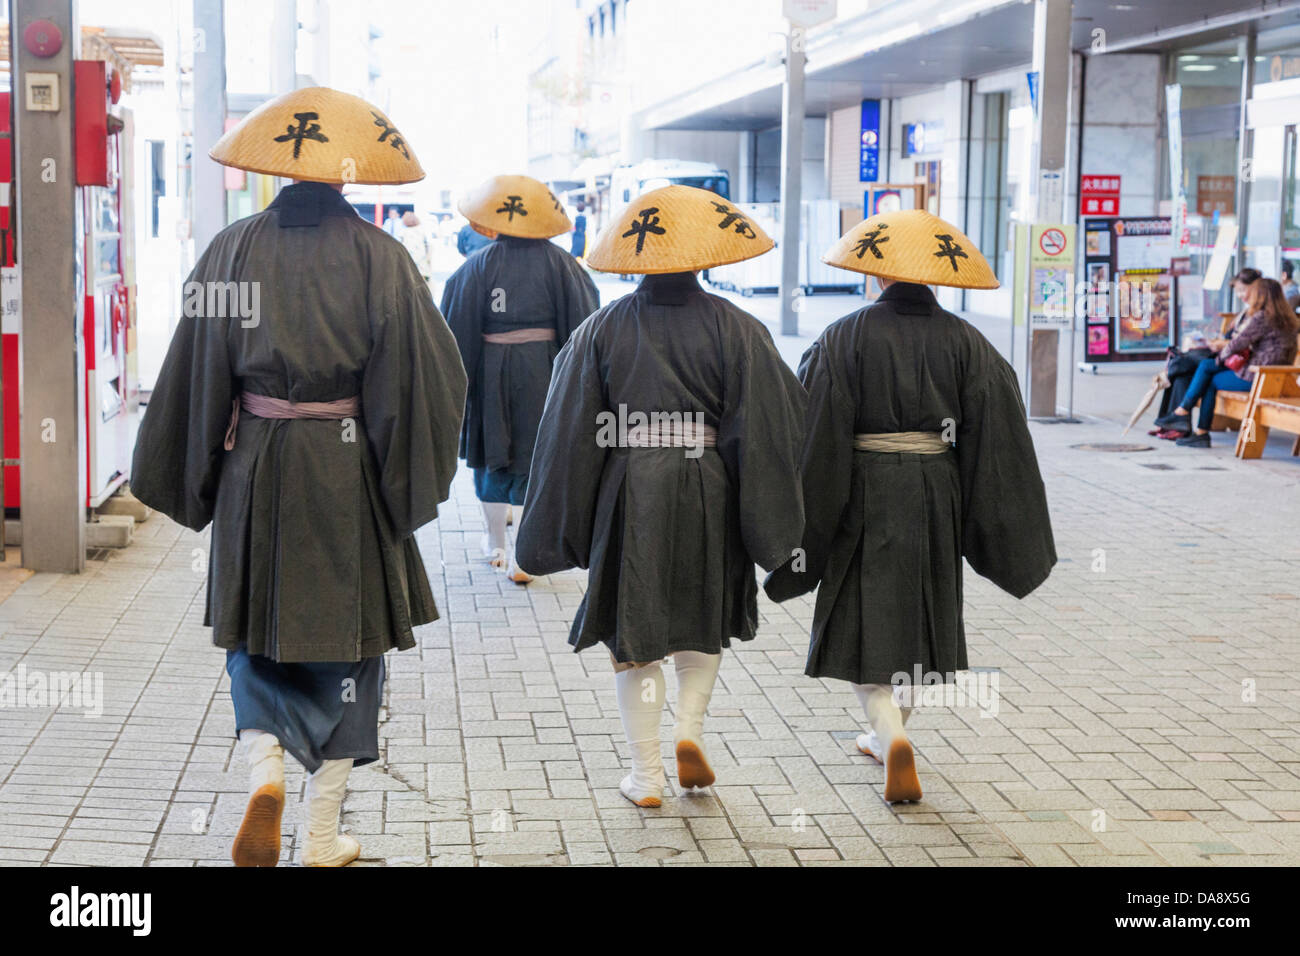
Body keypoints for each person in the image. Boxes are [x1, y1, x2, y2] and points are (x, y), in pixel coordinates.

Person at [130, 87, 467, 866]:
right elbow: (427, 381)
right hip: (346, 467)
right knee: (348, 653)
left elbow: (193, 370)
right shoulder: (381, 258)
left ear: (277, 171)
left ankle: (264, 772)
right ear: (346, 181)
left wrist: (198, 478)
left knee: (253, 633)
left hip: (256, 462)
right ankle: (321, 839)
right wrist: (401, 482)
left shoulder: (232, 249)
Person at [516, 185, 807, 808]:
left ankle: (646, 775)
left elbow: (568, 432)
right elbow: (769, 428)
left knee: (636, 634)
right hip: (710, 484)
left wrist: (564, 524)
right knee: (701, 620)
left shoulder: (603, 328)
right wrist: (770, 522)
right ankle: (690, 732)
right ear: (705, 257)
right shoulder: (740, 328)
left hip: (631, 487)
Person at [764, 209, 1056, 804]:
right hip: (935, 493)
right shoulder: (967, 342)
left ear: (876, 277)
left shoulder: (843, 336)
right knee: (921, 617)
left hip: (863, 491)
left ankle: (889, 733)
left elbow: (814, 433)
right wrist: (996, 526)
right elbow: (999, 441)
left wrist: (801, 518)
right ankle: (893, 732)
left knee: (862, 620)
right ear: (937, 279)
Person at [441, 174, 599, 583]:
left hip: (491, 370)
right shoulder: (562, 263)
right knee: (538, 454)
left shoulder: (477, 266)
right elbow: (585, 323)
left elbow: (454, 332)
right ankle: (527, 553)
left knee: (492, 456)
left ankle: (496, 543)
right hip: (546, 371)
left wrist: (462, 385)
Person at [1155, 277, 1300, 447]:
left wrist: (1219, 359)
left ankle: (1193, 423)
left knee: (1209, 377)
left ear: (1260, 295)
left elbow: (1238, 343)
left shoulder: (1263, 317)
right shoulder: (1287, 318)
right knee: (1208, 369)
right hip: (1274, 376)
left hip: (1260, 377)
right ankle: (1191, 421)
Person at [399, 209, 432, 281]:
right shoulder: (422, 230)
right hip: (422, 265)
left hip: (409, 265)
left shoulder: (403, 232)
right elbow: (429, 246)